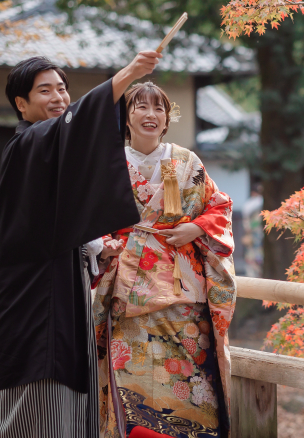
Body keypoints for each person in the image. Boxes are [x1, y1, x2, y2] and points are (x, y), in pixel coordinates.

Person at [0, 51, 161, 438]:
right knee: (39, 375)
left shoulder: (48, 147)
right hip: (33, 293)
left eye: (63, 88)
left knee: (66, 373)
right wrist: (130, 73)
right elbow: (78, 122)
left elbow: (59, 215)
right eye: (44, 90)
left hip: (60, 282)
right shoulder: (28, 144)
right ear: (21, 104)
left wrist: (94, 246)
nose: (59, 98)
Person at [92, 82, 236, 438]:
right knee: (134, 379)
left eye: (159, 109)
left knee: (190, 380)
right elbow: (87, 218)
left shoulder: (187, 162)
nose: (150, 115)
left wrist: (195, 228)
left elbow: (220, 205)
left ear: (167, 119)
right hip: (129, 291)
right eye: (140, 107)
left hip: (183, 292)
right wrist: (103, 245)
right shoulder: (109, 164)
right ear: (126, 117)